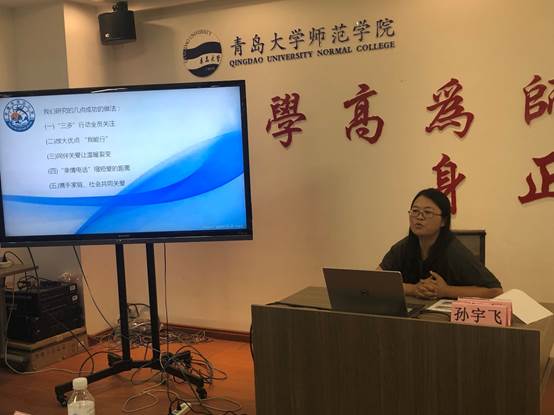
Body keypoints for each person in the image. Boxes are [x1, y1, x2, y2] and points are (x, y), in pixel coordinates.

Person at [378, 188, 503, 299]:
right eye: (415, 211)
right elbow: (376, 280)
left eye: (428, 212)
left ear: (443, 221)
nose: (419, 217)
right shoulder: (404, 247)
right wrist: (413, 289)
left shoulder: (454, 252)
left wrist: (446, 291)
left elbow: (495, 291)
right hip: (412, 313)